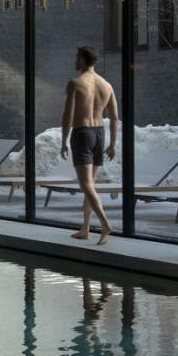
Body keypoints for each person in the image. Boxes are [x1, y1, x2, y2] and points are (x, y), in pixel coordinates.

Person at [60, 46, 119, 246]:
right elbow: (114, 118)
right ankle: (85, 228)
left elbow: (67, 116)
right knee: (90, 186)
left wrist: (63, 140)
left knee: (85, 185)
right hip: (99, 133)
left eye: (77, 58)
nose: (75, 61)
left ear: (83, 61)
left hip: (82, 133)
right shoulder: (107, 85)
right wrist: (112, 144)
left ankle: (105, 225)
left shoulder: (75, 84)